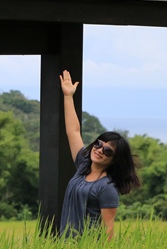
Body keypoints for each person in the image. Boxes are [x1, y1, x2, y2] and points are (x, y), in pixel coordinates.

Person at [58, 70, 141, 240]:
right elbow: (73, 131)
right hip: (65, 247)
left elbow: (108, 229)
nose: (99, 150)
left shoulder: (106, 188)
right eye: (99, 143)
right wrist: (68, 96)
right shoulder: (83, 165)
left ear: (114, 160)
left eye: (107, 150)